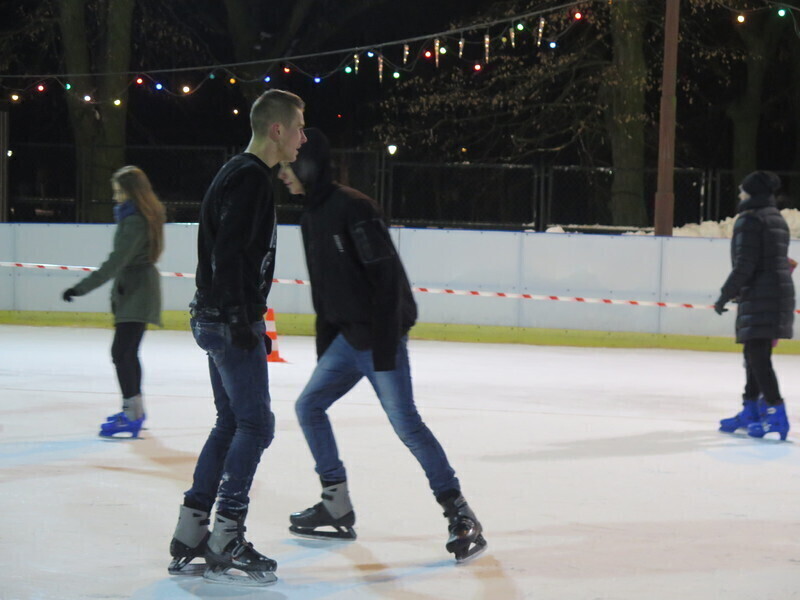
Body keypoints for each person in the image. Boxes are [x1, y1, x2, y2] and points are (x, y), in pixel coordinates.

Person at [277, 128, 487, 564]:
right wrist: (326, 348)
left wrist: (386, 348)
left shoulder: (355, 208)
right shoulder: (310, 218)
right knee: (309, 406)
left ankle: (460, 514)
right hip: (347, 340)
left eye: (289, 164)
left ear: (308, 164)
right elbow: (324, 293)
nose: (283, 173)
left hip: (379, 338)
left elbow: (387, 281)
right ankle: (336, 503)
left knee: (407, 425)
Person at [168, 89, 307, 587]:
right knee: (256, 425)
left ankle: (191, 530)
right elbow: (227, 255)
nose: (302, 137)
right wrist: (239, 319)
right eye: (298, 127)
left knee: (231, 422)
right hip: (228, 320)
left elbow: (226, 255)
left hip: (217, 317)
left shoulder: (237, 173)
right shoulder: (249, 178)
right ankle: (226, 536)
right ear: (276, 129)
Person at [62, 166, 165, 439]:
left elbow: (116, 261)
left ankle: (132, 413)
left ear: (131, 191)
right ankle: (135, 411)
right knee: (127, 352)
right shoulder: (145, 215)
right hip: (139, 289)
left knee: (122, 352)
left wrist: (81, 288)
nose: (116, 196)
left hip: (136, 291)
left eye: (119, 190)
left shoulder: (134, 221)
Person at [715, 170, 795, 441]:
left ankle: (776, 412)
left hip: (761, 293)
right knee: (755, 354)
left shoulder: (750, 219)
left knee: (758, 357)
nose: (740, 194)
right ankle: (752, 411)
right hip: (777, 292)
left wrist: (726, 294)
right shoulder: (777, 218)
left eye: (743, 190)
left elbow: (745, 264)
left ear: (751, 193)